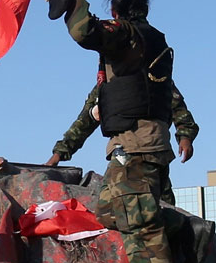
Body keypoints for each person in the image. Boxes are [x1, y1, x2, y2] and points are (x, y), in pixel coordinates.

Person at [49, 0, 182, 263]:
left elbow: (83, 31)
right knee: (110, 209)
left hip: (137, 144)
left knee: (139, 217)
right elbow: (95, 109)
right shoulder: (147, 48)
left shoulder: (128, 35)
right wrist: (62, 151)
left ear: (116, 12)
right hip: (140, 142)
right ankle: (180, 232)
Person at [44, 78, 199, 206]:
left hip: (153, 153)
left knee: (162, 207)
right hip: (123, 153)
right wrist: (59, 154)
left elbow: (180, 112)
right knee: (111, 206)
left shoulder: (155, 77)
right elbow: (85, 122)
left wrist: (185, 137)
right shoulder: (105, 85)